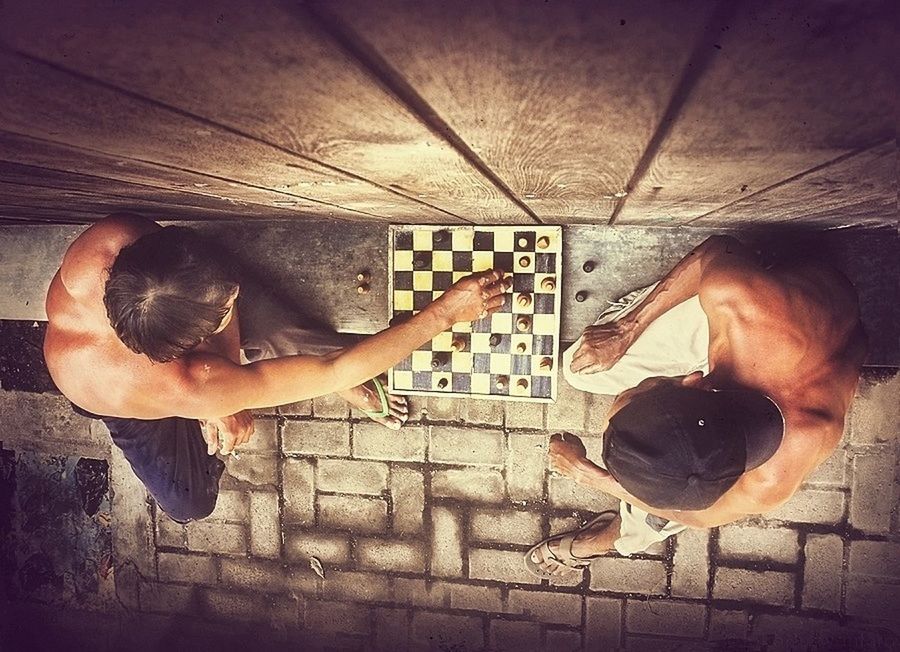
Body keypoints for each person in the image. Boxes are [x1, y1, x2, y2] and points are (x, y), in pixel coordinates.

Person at [44, 213, 509, 522]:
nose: (236, 298)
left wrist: (226, 384)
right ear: (189, 347)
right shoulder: (188, 382)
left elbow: (205, 275)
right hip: (122, 401)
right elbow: (333, 370)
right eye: (227, 307)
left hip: (155, 371)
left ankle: (240, 386)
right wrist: (445, 313)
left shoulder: (112, 240)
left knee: (250, 363)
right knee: (189, 505)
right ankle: (232, 400)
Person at [526, 235, 866, 577]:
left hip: (784, 341)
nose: (625, 393)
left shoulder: (769, 479)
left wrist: (591, 476)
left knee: (663, 503)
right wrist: (626, 330)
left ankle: (613, 536)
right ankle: (623, 532)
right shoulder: (737, 301)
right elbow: (718, 249)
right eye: (638, 390)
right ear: (694, 379)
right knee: (580, 372)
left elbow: (696, 515)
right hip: (791, 310)